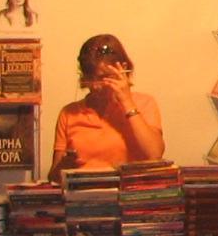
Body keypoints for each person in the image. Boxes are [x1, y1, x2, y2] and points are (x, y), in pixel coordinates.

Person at [50, 35, 165, 174]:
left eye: (102, 77)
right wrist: (65, 164)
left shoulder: (145, 103)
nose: (95, 86)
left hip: (129, 186)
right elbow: (54, 176)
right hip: (84, 186)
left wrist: (127, 102)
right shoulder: (69, 113)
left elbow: (155, 154)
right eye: (90, 78)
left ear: (123, 69)